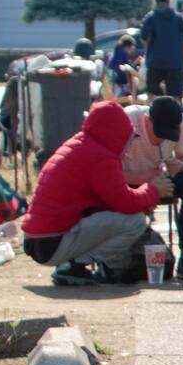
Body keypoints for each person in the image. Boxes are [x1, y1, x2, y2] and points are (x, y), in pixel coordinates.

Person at [20, 102, 169, 287]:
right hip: (52, 242)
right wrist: (153, 190)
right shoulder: (101, 157)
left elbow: (108, 200)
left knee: (121, 217)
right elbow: (126, 203)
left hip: (40, 239)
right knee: (134, 222)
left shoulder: (82, 145)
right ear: (116, 133)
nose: (130, 144)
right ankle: (74, 265)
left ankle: (74, 265)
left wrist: (144, 196)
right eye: (129, 137)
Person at [122, 96, 183, 280]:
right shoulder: (128, 120)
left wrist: (180, 165)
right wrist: (145, 179)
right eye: (158, 133)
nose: (162, 140)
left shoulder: (180, 122)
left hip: (158, 179)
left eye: (167, 135)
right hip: (127, 180)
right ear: (147, 120)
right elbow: (107, 173)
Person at [138, 0, 183, 99]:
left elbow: (144, 38)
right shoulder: (178, 18)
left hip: (155, 62)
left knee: (152, 95)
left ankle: (153, 114)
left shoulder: (150, 18)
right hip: (175, 62)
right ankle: (177, 114)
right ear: (169, 2)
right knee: (176, 96)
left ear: (155, 2)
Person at [106, 33, 140, 97]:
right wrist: (136, 64)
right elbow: (125, 70)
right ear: (127, 47)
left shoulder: (117, 53)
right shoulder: (122, 54)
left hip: (112, 82)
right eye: (131, 48)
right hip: (117, 83)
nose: (132, 50)